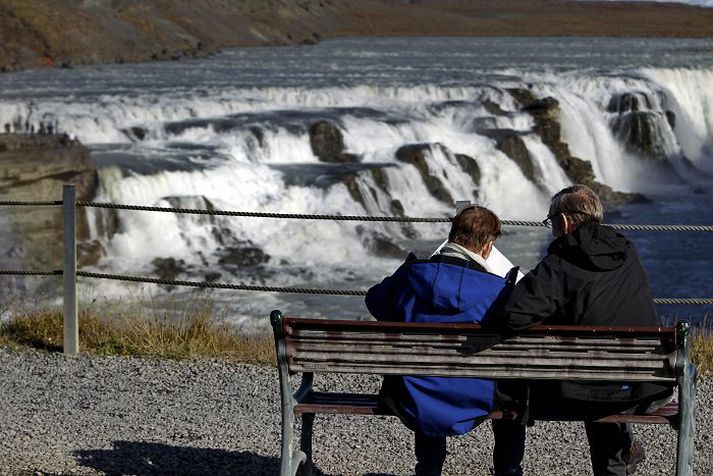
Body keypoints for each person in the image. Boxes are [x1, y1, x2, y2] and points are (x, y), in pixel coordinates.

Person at [492, 184, 673, 476]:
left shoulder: (561, 262)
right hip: (643, 383)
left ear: (564, 222)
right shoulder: (627, 251)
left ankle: (508, 469)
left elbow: (512, 316)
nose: (551, 231)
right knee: (605, 377)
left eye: (551, 222)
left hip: (584, 387)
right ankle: (617, 460)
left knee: (512, 386)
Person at [365, 205, 517, 476]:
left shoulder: (412, 276)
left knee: (425, 374)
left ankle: (429, 468)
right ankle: (508, 470)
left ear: (453, 235)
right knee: (514, 393)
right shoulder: (498, 291)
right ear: (487, 247)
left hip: (415, 391)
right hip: (477, 394)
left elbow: (375, 302)